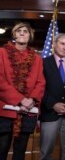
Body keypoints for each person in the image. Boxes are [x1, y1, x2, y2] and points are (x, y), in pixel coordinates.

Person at [0, 22, 45, 160]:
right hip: (6, 111)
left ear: (30, 35)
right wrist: (21, 100)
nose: (22, 33)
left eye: (25, 31)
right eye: (19, 30)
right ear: (14, 34)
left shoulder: (37, 58)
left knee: (20, 153)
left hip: (28, 111)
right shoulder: (1, 53)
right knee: (1, 150)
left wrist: (31, 100)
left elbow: (40, 82)